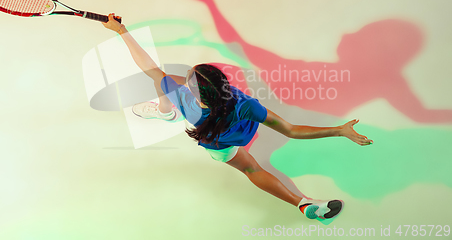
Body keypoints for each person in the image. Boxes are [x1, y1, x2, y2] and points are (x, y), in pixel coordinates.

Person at [102, 14, 373, 221]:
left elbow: (149, 67)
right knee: (253, 167)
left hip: (216, 144)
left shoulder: (184, 98)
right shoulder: (244, 105)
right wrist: (339, 130)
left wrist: (121, 31)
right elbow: (291, 130)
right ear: (223, 83)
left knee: (161, 81)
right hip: (240, 131)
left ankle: (165, 112)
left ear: (196, 93)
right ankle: (305, 205)